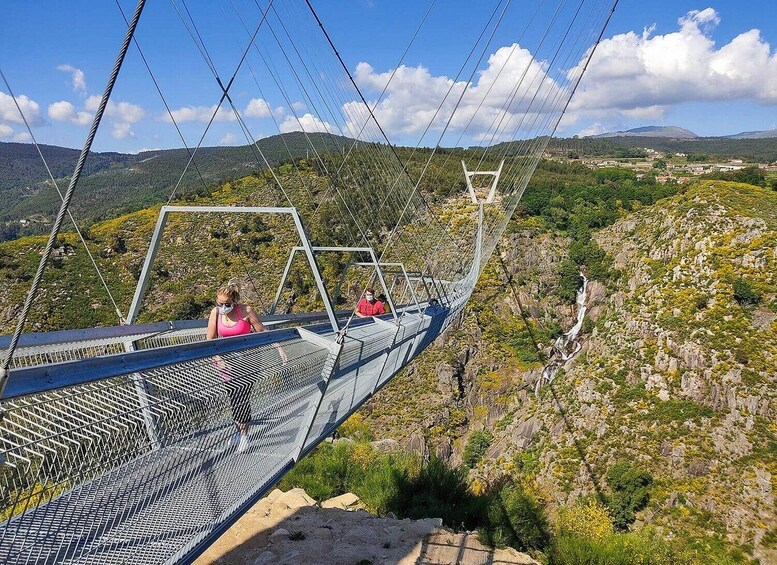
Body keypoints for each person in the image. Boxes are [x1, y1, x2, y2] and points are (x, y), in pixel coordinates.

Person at [206, 281, 272, 452]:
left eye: (226, 304)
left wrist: (278, 347)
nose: (223, 307)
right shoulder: (215, 313)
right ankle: (238, 432)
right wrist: (217, 358)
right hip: (225, 364)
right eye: (219, 304)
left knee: (242, 396)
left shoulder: (246, 311)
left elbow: (262, 332)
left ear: (234, 301)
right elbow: (210, 340)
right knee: (234, 397)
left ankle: (244, 435)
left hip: (249, 361)